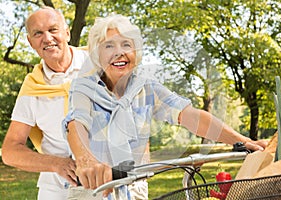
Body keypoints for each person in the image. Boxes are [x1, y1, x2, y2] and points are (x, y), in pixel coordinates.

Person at [63, 14, 268, 199]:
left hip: (134, 189)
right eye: (109, 46)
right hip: (92, 190)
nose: (119, 53)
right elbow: (76, 123)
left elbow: (192, 116)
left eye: (126, 44)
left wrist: (243, 141)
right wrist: (86, 162)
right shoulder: (84, 87)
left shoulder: (146, 87)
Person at [1, 6, 94, 200]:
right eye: (38, 33)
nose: (47, 38)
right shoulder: (32, 87)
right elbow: (9, 151)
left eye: (53, 30)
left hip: (110, 181)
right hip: (58, 189)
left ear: (67, 32)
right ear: (30, 41)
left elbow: (137, 109)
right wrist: (56, 163)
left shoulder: (98, 64)